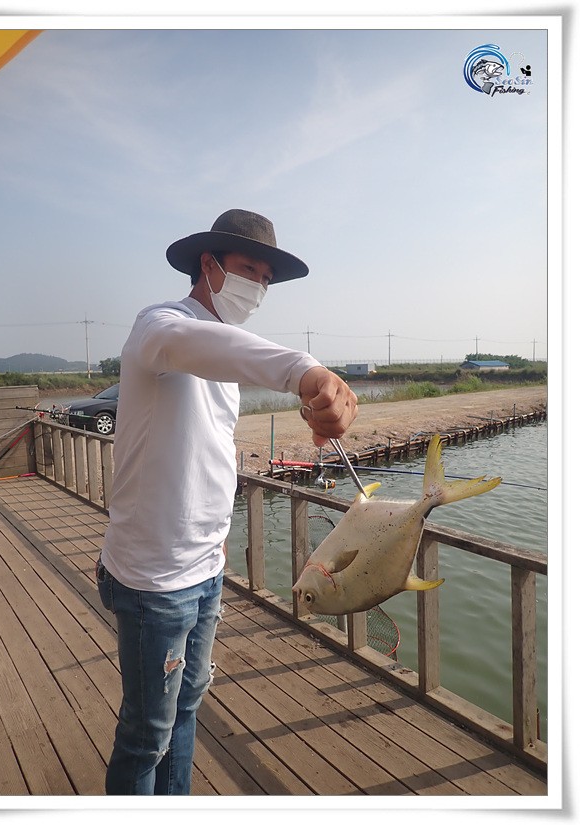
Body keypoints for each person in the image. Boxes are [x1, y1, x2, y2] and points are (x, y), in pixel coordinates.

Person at [96, 208, 357, 795]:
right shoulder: (159, 324)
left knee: (188, 706)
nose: (258, 286)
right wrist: (306, 371)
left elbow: (213, 427)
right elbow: (192, 343)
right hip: (154, 579)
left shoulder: (226, 357)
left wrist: (217, 549)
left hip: (207, 568)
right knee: (147, 733)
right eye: (248, 270)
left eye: (266, 279)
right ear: (208, 265)